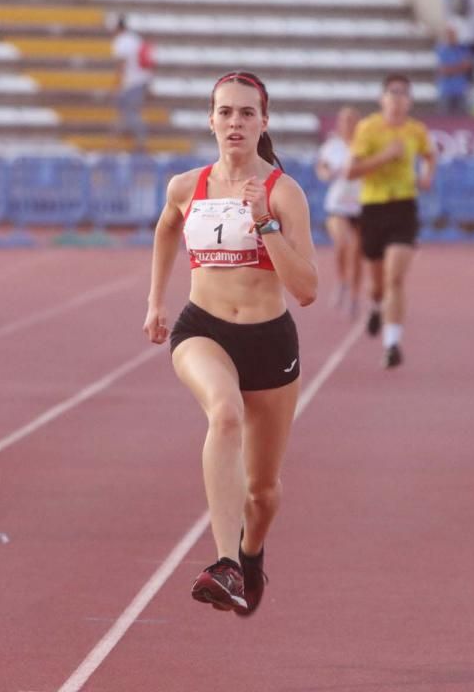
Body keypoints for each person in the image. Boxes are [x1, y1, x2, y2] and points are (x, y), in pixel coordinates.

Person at [142, 71, 317, 615]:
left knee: (261, 493)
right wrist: (156, 301)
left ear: (263, 122)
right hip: (204, 329)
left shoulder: (282, 191)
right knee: (224, 415)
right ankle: (224, 565)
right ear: (210, 120)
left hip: (269, 341)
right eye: (225, 112)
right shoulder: (185, 186)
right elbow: (167, 227)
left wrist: (264, 225)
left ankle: (251, 551)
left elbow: (307, 289)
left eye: (246, 113)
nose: (235, 122)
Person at [347, 74, 437, 368]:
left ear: (409, 101)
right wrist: (386, 156)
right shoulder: (368, 128)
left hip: (404, 207)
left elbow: (429, 155)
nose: (397, 100)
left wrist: (427, 174)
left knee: (395, 277)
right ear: (382, 99)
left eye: (403, 95)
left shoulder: (416, 130)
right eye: (392, 94)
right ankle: (375, 306)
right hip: (373, 207)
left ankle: (392, 343)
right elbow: (352, 171)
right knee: (378, 283)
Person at [315, 106, 363, 315]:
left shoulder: (365, 146)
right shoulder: (332, 147)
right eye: (344, 120)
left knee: (357, 251)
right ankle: (341, 280)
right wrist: (327, 173)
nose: (348, 124)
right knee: (342, 243)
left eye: (352, 120)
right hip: (338, 204)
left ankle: (354, 294)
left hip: (363, 204)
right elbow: (322, 168)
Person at [111, 15, 152, 153]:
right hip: (142, 80)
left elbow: (121, 64)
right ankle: (127, 134)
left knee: (130, 112)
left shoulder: (122, 41)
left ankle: (141, 142)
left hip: (131, 82)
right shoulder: (135, 39)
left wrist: (117, 84)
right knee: (126, 110)